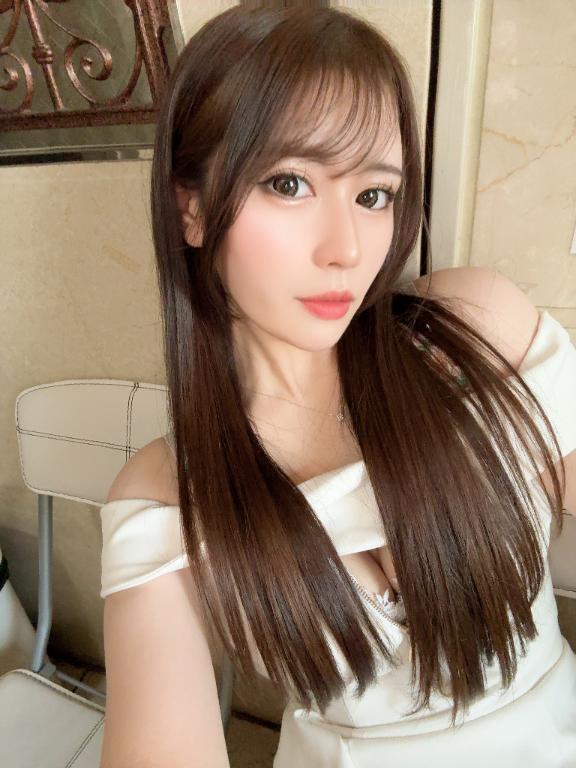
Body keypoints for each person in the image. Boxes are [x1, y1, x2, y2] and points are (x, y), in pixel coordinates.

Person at [99, 6, 576, 767]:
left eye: (374, 194)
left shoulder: (474, 332)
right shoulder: (168, 495)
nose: (346, 249)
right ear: (192, 208)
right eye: (290, 183)